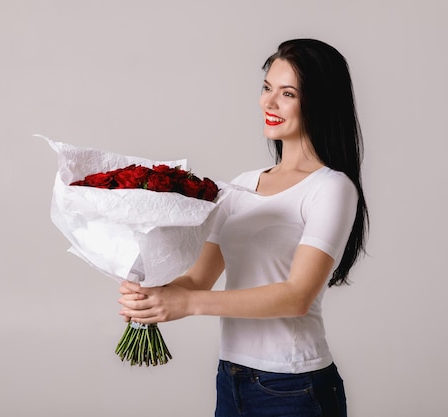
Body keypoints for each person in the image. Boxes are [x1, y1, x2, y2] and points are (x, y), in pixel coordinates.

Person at [119, 38, 369, 417]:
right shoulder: (241, 185)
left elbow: (296, 295)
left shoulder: (331, 188)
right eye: (267, 88)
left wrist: (185, 304)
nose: (268, 103)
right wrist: (152, 293)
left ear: (318, 102)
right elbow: (199, 279)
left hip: (294, 386)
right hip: (231, 377)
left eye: (287, 94)